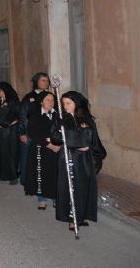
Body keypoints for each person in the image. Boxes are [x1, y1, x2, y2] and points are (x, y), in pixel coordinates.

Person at [52, 91, 106, 231]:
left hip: (84, 159)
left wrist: (93, 149)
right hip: (69, 158)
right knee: (71, 187)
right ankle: (72, 218)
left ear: (76, 103)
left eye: (68, 103)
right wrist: (59, 131)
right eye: (63, 104)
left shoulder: (87, 120)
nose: (65, 106)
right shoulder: (61, 119)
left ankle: (81, 215)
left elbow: (94, 139)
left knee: (83, 187)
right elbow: (55, 138)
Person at [23, 92, 59, 210]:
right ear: (41, 102)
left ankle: (56, 197)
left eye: (52, 100)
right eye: (47, 100)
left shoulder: (57, 115)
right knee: (41, 174)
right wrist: (48, 144)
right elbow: (33, 133)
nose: (50, 102)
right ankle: (42, 199)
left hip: (56, 149)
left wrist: (58, 144)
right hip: (40, 149)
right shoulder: (35, 115)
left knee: (55, 173)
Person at [18, 73, 50, 186]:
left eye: (47, 80)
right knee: (26, 156)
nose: (45, 83)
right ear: (37, 82)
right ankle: (25, 180)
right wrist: (22, 133)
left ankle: (41, 181)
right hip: (29, 132)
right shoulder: (29, 97)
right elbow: (22, 115)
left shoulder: (50, 97)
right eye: (42, 80)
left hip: (44, 133)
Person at [0, 82, 20, 184]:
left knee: (10, 154)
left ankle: (13, 176)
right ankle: (0, 174)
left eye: (1, 91)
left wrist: (3, 125)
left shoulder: (13, 101)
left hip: (9, 132)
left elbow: (16, 117)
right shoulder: (0, 102)